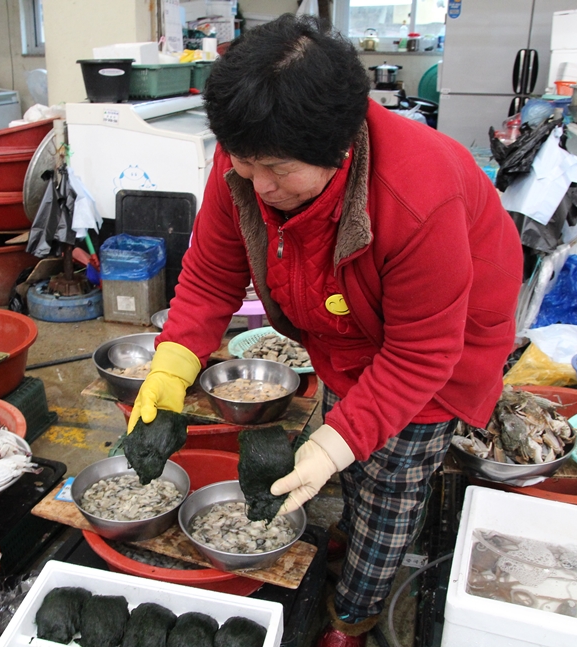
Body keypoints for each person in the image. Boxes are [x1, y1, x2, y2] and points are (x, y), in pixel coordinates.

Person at [127, 14, 522, 647]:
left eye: (276, 171)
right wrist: (172, 363)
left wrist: (336, 446)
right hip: (349, 319)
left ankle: (354, 616)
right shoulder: (250, 159)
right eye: (244, 163)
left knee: (392, 473)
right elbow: (209, 276)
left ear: (339, 149)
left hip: (445, 337)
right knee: (349, 432)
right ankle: (354, 524)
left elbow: (422, 354)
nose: (257, 185)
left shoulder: (417, 194)